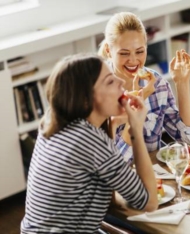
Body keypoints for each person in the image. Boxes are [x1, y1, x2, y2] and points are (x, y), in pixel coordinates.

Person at [20, 54, 158, 233]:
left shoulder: (52, 120)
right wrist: (136, 131)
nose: (121, 83)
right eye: (110, 82)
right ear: (85, 99)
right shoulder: (90, 140)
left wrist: (114, 122)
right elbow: (149, 203)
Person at [98, 12, 190, 164]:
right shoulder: (97, 93)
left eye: (140, 51)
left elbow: (186, 138)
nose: (133, 60)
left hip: (155, 173)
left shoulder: (156, 83)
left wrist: (182, 83)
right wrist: (138, 103)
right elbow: (114, 167)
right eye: (124, 53)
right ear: (108, 51)